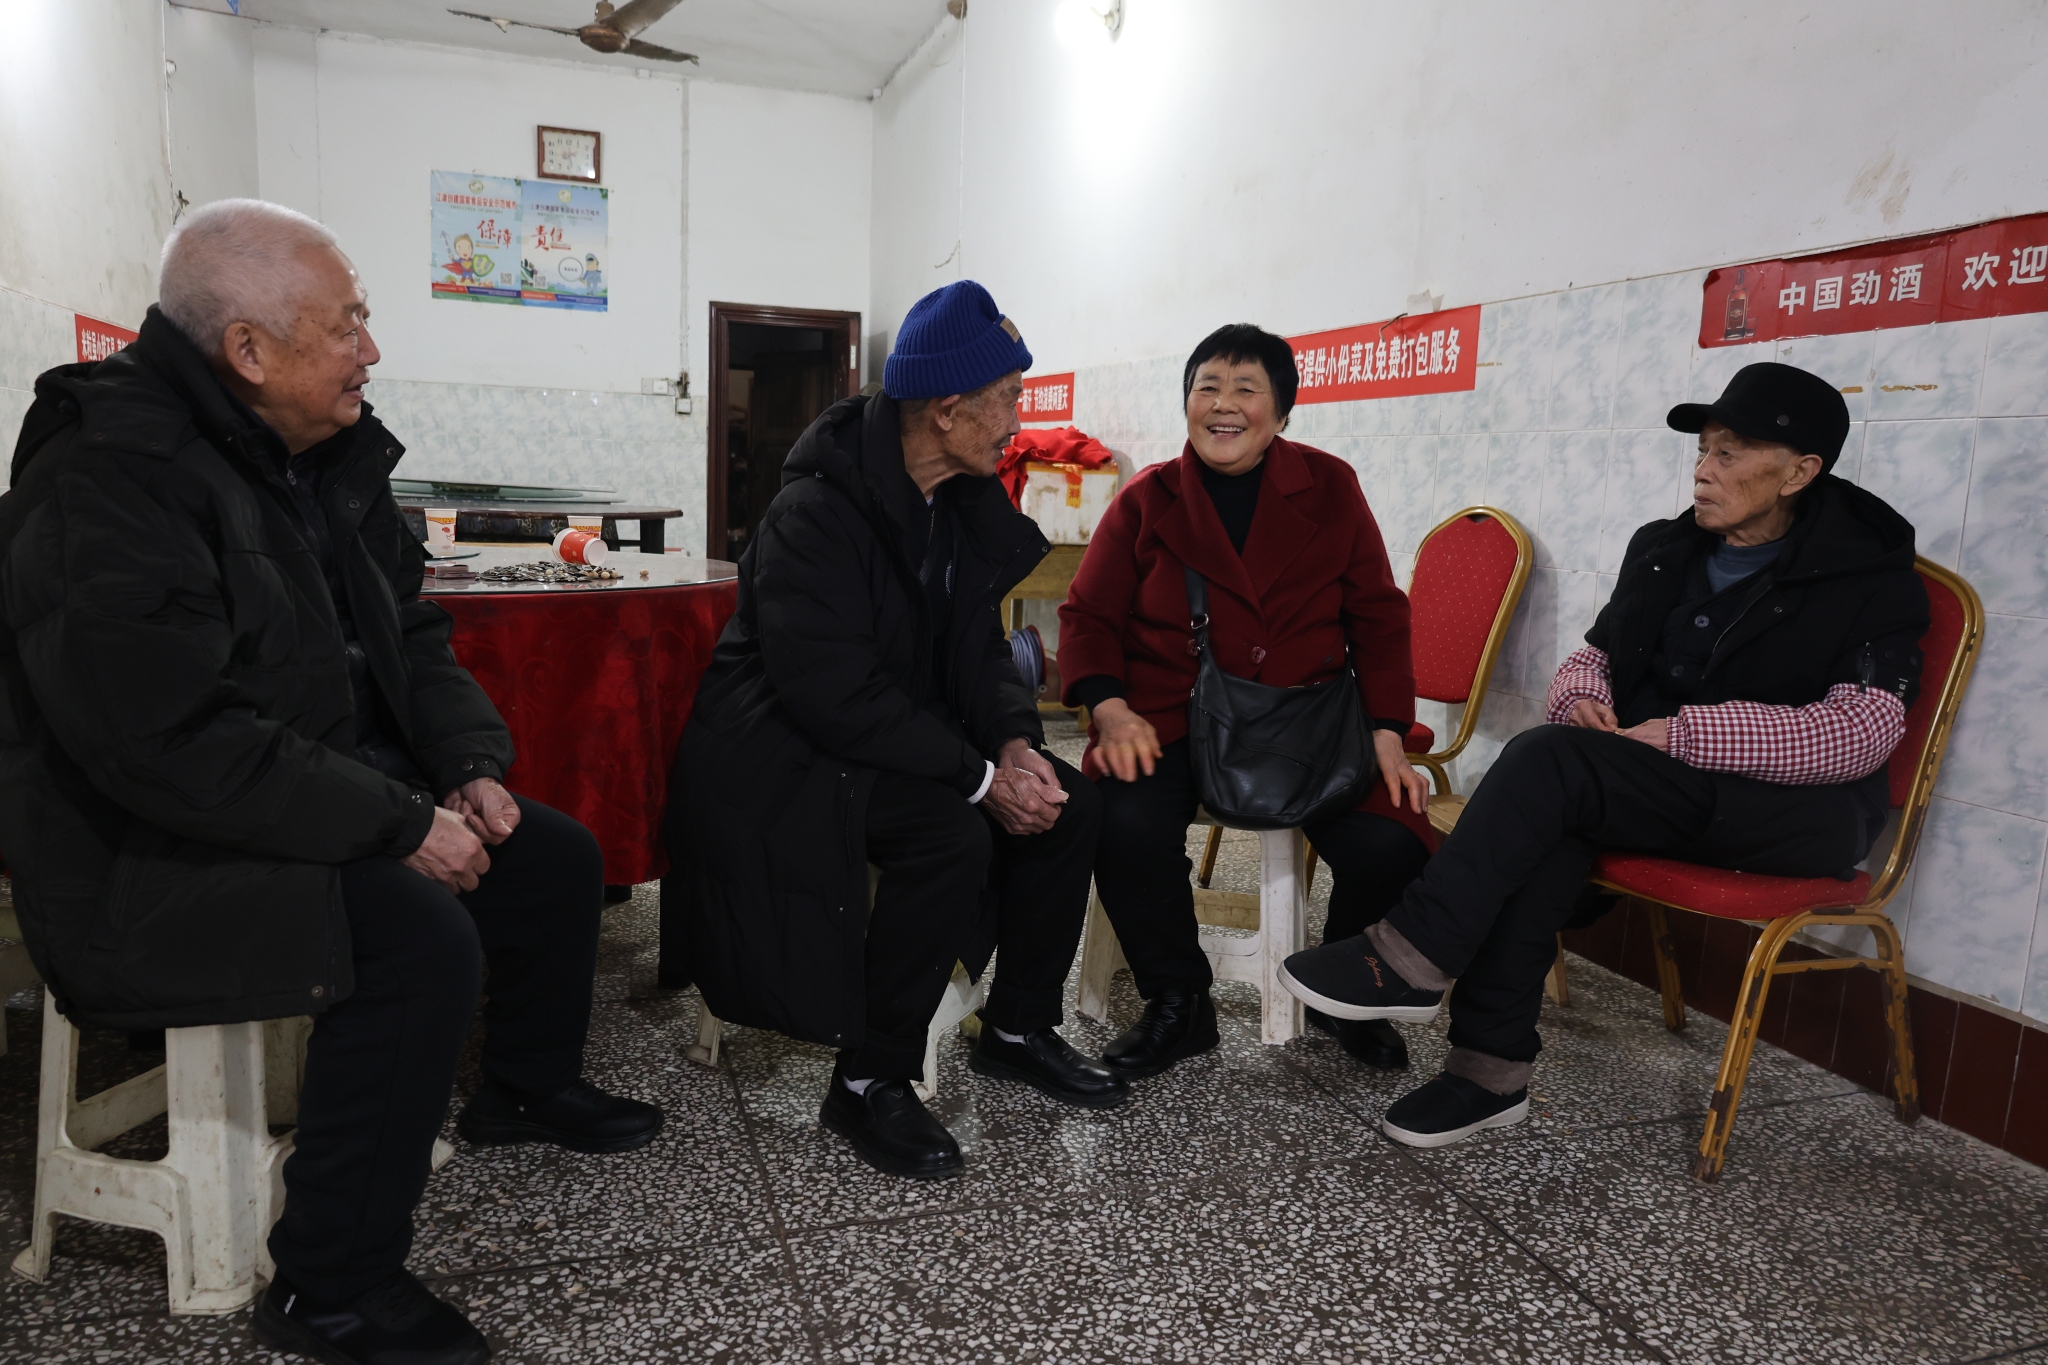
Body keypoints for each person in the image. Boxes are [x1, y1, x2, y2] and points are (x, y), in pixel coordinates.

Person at [0, 199, 661, 1365]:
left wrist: (463, 767)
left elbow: (410, 636)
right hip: (140, 846)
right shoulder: (110, 473)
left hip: (295, 789)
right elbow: (166, 742)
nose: (372, 349)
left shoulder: (320, 456)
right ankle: (330, 1286)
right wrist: (398, 821)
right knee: (415, 939)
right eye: (347, 323)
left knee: (551, 855)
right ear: (248, 351)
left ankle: (523, 1088)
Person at [1278, 362, 1929, 1148]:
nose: (1704, 468)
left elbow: (1861, 731)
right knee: (1554, 814)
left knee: (1550, 766)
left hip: (1788, 813)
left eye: (1729, 453)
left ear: (1800, 472)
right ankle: (1488, 1074)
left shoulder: (1870, 579)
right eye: (1704, 448)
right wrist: (1583, 696)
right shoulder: (1666, 548)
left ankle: (1410, 957)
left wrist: (1689, 732)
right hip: (1662, 786)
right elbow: (1595, 654)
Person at [666, 280, 1118, 1183]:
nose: (1017, 423)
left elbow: (979, 649)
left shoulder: (955, 502)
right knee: (950, 832)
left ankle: (1019, 1025)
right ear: (947, 409)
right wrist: (978, 779)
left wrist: (1015, 744)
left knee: (1067, 802)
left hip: (890, 731)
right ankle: (869, 1076)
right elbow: (833, 694)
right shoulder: (814, 514)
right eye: (1008, 400)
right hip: (782, 748)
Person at [1056, 323, 1438, 1079]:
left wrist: (1388, 729)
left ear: (1282, 412)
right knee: (1121, 822)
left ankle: (1342, 991)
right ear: (1187, 404)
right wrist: (1108, 707)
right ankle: (1178, 1000)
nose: (1223, 405)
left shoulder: (1330, 487)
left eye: (1245, 389)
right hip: (1168, 719)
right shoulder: (1147, 500)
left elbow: (1378, 616)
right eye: (1207, 387)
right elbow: (1087, 616)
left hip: (1308, 720)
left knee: (1392, 837)